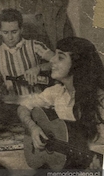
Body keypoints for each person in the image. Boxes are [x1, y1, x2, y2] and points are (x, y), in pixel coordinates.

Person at [17, 37, 104, 170]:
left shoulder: (100, 101)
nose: (52, 60)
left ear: (77, 64)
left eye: (61, 57)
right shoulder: (56, 92)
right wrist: (33, 128)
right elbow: (23, 107)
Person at [0, 8, 54, 125]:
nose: (10, 37)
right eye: (5, 32)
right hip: (9, 107)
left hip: (35, 105)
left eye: (14, 32)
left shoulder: (34, 46)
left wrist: (39, 68)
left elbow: (58, 62)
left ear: (21, 29)